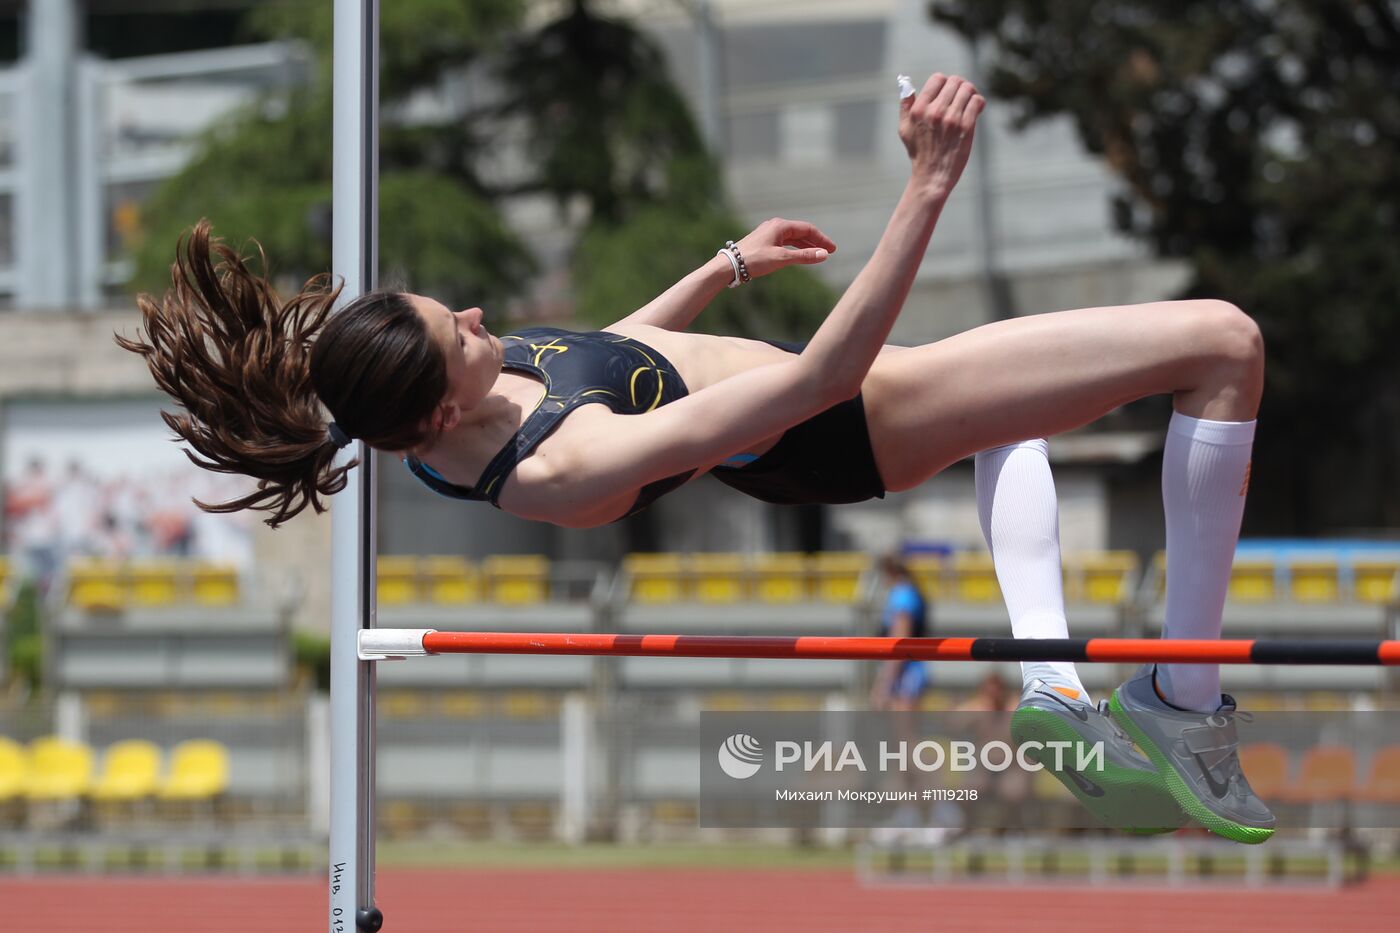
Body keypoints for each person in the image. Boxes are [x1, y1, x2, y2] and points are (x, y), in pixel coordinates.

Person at [117, 73, 1270, 842]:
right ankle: (1183, 702)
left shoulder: (455, 404)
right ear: (429, 420)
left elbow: (605, 351)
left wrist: (722, 267)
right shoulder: (554, 467)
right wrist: (924, 186)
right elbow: (815, 379)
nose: (476, 315)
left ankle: (1056, 683)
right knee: (1223, 343)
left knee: (1023, 414)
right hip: (851, 418)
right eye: (455, 331)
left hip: (844, 400)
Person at [870, 554, 930, 712]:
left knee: (904, 733)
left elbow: (899, 642)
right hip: (907, 669)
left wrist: (884, 684)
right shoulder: (907, 592)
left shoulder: (902, 595)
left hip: (906, 672)